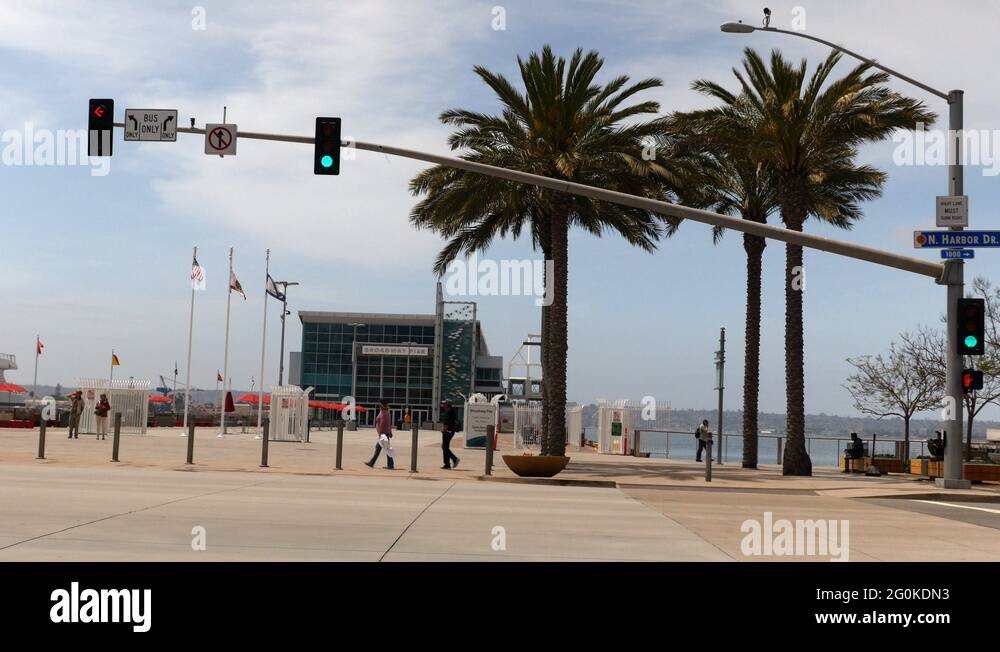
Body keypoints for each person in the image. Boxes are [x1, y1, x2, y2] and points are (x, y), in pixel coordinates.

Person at [364, 399, 395, 469]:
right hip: (384, 434)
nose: (378, 405)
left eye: (379, 404)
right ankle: (372, 463)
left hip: (383, 434)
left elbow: (383, 424)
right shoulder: (385, 412)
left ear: (381, 405)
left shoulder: (384, 413)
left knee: (384, 449)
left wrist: (380, 433)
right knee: (381, 449)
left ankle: (389, 465)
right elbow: (388, 424)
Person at [440, 399, 460, 470]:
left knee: (444, 447)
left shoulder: (449, 411)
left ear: (447, 405)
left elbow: (447, 422)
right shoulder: (451, 411)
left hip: (448, 431)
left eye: (444, 404)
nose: (443, 405)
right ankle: (447, 464)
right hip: (450, 431)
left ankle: (454, 459)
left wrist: (444, 429)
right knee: (445, 447)